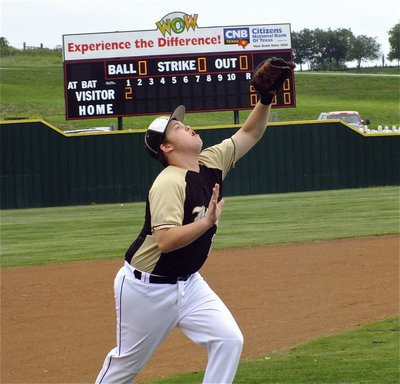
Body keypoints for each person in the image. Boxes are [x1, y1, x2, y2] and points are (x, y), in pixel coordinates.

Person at [95, 58, 293, 384]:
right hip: (147, 289)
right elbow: (166, 241)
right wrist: (207, 221)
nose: (186, 126)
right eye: (176, 127)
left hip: (189, 283)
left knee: (228, 340)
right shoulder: (169, 182)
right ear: (167, 146)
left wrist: (266, 98)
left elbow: (250, 132)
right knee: (124, 368)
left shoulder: (210, 162)